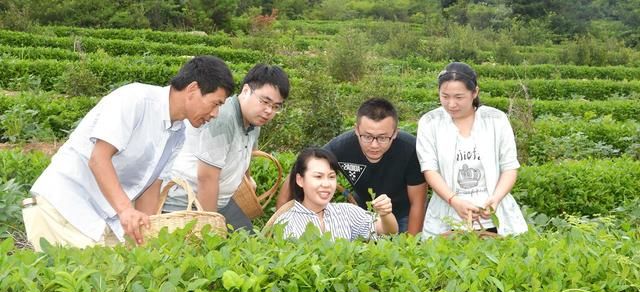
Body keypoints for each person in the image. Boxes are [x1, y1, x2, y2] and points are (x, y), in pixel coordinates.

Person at [22, 55, 235, 251]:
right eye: (216, 103)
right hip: (65, 207)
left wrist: (147, 235)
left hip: (103, 216)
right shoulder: (136, 100)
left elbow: (151, 187)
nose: (215, 114)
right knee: (83, 284)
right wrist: (126, 211)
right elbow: (98, 159)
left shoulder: (178, 133)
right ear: (193, 89)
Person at [164, 63, 290, 231]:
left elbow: (246, 154)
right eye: (265, 101)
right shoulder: (224, 119)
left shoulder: (255, 122)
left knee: (250, 244)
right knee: (213, 246)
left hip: (222, 200)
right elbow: (206, 178)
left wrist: (247, 178)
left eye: (276, 107)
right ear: (246, 91)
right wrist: (209, 227)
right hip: (188, 202)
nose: (269, 111)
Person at [275, 98, 426, 234]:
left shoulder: (410, 149)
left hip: (403, 212)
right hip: (362, 209)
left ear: (395, 133)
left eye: (382, 138)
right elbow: (301, 170)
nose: (374, 145)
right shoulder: (341, 146)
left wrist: (410, 245)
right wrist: (280, 219)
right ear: (356, 130)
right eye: (367, 137)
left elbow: (418, 202)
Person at [416, 61, 528, 238]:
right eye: (445, 96)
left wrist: (496, 198)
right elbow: (430, 169)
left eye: (459, 97)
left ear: (474, 92)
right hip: (447, 214)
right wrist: (454, 200)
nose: (451, 104)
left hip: (493, 215)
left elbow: (509, 167)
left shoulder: (496, 120)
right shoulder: (430, 122)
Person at [272, 147, 398, 240]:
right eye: (318, 176)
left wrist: (385, 213)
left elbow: (387, 231)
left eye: (331, 177)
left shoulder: (347, 211)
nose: (326, 184)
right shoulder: (285, 222)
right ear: (300, 180)